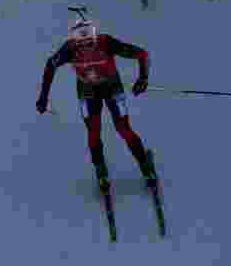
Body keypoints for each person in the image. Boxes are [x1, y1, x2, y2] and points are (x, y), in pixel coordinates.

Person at [36, 13, 157, 194]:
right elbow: (50, 65)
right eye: (81, 45)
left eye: (90, 43)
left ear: (94, 37)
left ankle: (144, 165)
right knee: (93, 131)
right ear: (75, 42)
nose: (86, 48)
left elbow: (142, 54)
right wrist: (43, 97)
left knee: (123, 129)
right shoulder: (69, 49)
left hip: (112, 88)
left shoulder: (105, 42)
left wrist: (143, 78)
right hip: (88, 92)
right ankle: (101, 170)